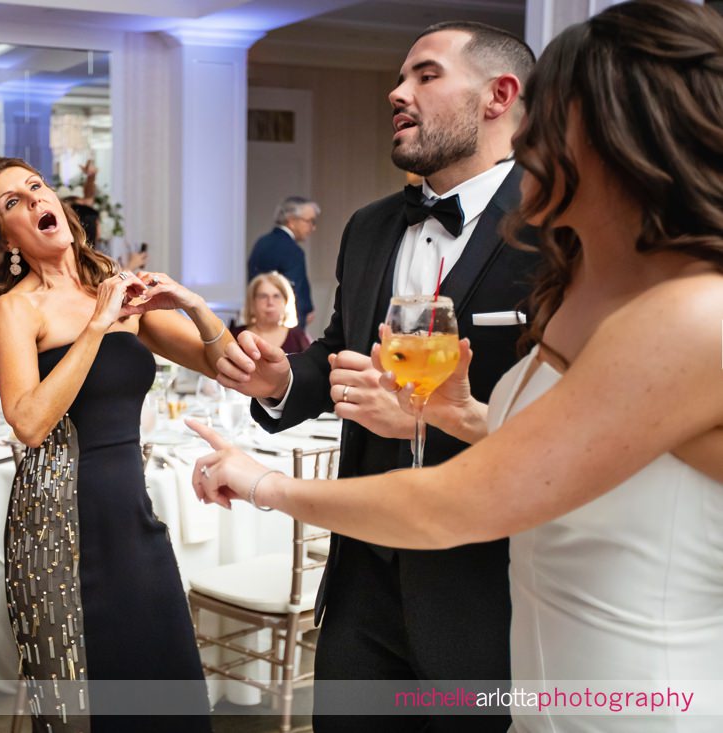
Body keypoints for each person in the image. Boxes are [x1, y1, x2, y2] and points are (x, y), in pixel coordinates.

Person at [194, 1, 723, 731]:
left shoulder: (688, 316)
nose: (528, 138)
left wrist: (261, 483)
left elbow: (457, 502)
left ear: (616, 140)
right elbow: (553, 441)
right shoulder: (604, 294)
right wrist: (452, 411)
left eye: (550, 116)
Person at [222, 21, 537, 733]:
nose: (397, 92)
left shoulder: (558, 225)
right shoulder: (369, 226)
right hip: (364, 583)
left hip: (486, 587)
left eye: (425, 75)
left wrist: (435, 416)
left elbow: (571, 418)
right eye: (400, 78)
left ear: (499, 95)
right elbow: (337, 349)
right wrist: (281, 380)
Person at [0, 156, 229, 732]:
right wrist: (96, 326)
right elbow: (28, 423)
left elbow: (220, 361)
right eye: (12, 203)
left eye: (36, 187)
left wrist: (193, 304)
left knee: (172, 690)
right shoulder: (17, 309)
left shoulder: (109, 283)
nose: (33, 201)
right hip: (57, 530)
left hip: (132, 517)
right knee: (90, 709)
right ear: (5, 238)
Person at [247, 196, 318, 328]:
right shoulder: (293, 250)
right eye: (310, 221)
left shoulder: (261, 243)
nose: (313, 227)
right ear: (291, 221)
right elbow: (294, 292)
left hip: (259, 322)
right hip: (286, 327)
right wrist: (305, 312)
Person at [234, 271, 310, 353]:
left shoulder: (298, 337)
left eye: (276, 296)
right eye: (263, 296)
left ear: (286, 302)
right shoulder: (235, 336)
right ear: (252, 302)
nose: (270, 302)